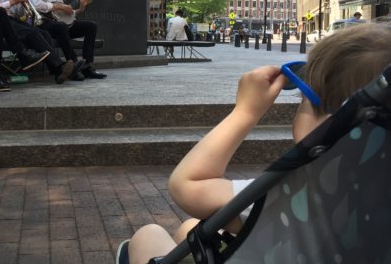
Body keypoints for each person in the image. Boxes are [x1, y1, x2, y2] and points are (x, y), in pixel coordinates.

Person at [116, 24, 391, 264]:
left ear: (333, 123)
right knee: (194, 227)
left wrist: (245, 112)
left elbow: (188, 185)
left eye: (303, 98)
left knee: (148, 235)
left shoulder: (297, 197)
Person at [30, 0, 106, 80]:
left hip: (61, 25)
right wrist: (58, 6)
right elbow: (36, 4)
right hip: (45, 25)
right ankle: (74, 64)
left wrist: (80, 9)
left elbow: (64, 14)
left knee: (91, 26)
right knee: (61, 27)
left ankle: (87, 66)